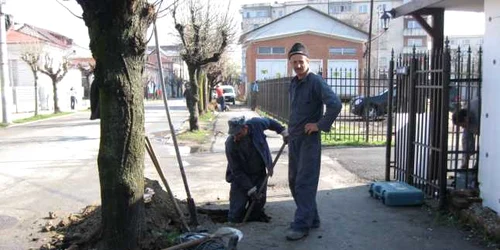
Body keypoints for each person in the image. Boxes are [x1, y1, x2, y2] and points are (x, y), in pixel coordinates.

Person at [285, 42, 342, 240]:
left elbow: (335, 104)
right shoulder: (293, 83)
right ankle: (312, 218)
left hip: (309, 141)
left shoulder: (315, 81)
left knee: (304, 183)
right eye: (294, 62)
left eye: (301, 61)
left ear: (308, 61)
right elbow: (296, 111)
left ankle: (301, 225)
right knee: (293, 182)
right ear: (290, 63)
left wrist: (319, 125)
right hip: (294, 139)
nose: (298, 65)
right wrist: (288, 130)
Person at [225, 116, 289, 223]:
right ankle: (237, 215)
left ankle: (255, 215)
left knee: (257, 204)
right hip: (240, 177)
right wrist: (250, 189)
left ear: (245, 128)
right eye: (233, 135)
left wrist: (283, 131)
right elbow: (236, 170)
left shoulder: (256, 124)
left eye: (238, 134)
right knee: (234, 216)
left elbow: (270, 122)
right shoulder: (230, 144)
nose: (236, 137)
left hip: (259, 173)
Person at [452, 98, 480, 169]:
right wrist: (465, 161)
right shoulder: (466, 113)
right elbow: (466, 141)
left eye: (462, 125)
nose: (462, 127)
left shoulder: (477, 110)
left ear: (466, 118)